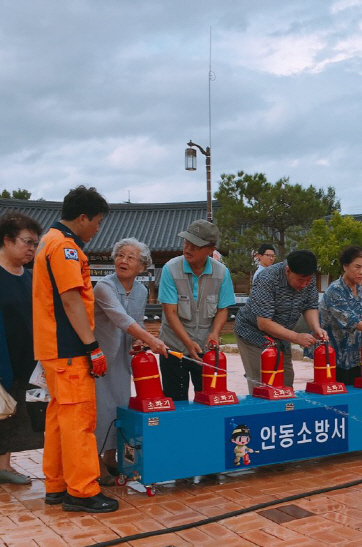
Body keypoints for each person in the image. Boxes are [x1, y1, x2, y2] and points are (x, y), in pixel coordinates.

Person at [32, 185, 118, 512]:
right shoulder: (65, 247)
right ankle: (82, 490)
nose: (98, 229)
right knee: (80, 419)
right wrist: (93, 346)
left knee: (59, 418)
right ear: (82, 218)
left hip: (52, 347)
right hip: (68, 347)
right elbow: (71, 299)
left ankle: (56, 484)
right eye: (96, 221)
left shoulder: (48, 242)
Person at [94, 238, 168, 484]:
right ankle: (95, 464)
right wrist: (152, 339)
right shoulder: (104, 286)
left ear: (141, 266)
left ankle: (110, 457)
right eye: (120, 255)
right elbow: (120, 319)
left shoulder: (141, 291)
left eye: (130, 258)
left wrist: (139, 342)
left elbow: (136, 322)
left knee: (120, 407)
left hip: (122, 359)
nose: (123, 261)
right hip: (99, 358)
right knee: (100, 411)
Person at [158, 220, 235, 401]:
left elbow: (223, 309)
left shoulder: (222, 273)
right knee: (175, 402)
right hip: (174, 348)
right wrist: (187, 343)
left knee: (208, 399)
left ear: (210, 249)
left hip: (205, 349)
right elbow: (170, 313)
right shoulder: (170, 269)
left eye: (195, 246)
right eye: (186, 243)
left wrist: (215, 332)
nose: (188, 249)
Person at [234, 250, 328, 394]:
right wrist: (297, 337)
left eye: (308, 280)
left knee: (286, 381)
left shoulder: (308, 277)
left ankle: (286, 415)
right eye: (300, 280)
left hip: (281, 335)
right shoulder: (267, 279)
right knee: (264, 384)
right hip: (253, 334)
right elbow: (264, 323)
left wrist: (316, 328)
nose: (304, 285)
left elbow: (310, 306)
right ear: (288, 270)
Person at [0, 212, 43, 484]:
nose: (32, 249)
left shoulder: (30, 277)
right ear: (6, 240)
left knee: (14, 415)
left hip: (27, 362)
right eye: (27, 242)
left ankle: (5, 465)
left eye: (35, 244)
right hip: (4, 358)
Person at [321, 246, 362, 385]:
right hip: (334, 356)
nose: (361, 272)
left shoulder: (359, 291)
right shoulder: (335, 290)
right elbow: (350, 320)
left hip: (355, 356)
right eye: (357, 267)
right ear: (345, 266)